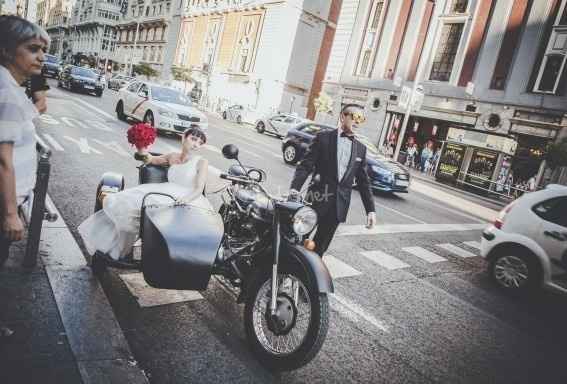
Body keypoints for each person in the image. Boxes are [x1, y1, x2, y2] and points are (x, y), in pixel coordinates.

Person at [78, 127, 213, 261]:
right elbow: (151, 160)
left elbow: (199, 188)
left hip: (188, 197)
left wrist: (185, 199)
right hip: (165, 191)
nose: (196, 144)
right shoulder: (172, 156)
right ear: (184, 137)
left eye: (200, 142)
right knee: (127, 204)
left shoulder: (202, 162)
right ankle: (117, 248)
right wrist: (141, 145)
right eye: (193, 139)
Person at [0, 15, 50, 338]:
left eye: (43, 50)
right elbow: (3, 160)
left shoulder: (8, 87)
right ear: (6, 50)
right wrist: (10, 213)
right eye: (32, 49)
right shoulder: (8, 95)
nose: (41, 57)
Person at [289, 104, 376, 257]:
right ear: (343, 116)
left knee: (320, 249)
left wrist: (370, 210)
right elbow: (305, 165)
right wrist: (295, 188)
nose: (358, 122)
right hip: (315, 200)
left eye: (361, 119)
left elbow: (363, 182)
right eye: (355, 117)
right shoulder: (323, 138)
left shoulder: (361, 149)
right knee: (298, 240)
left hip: (338, 207)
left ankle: (307, 279)